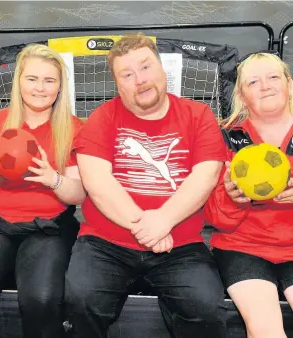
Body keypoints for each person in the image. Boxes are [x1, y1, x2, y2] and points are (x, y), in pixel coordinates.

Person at [64, 33, 228, 338]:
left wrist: (164, 220)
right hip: (106, 243)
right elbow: (98, 183)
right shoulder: (102, 117)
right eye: (127, 74)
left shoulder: (199, 115)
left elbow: (205, 176)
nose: (139, 79)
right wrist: (149, 227)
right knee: (81, 298)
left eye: (145, 67)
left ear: (161, 69)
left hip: (180, 244)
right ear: (117, 84)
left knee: (205, 306)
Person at [0, 44, 86, 338]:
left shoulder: (72, 128)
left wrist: (53, 178)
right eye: (32, 79)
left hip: (47, 228)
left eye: (49, 81)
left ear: (60, 86)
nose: (40, 88)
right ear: (18, 81)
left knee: (41, 301)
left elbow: (78, 195)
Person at [204, 51, 293, 338]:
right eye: (253, 82)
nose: (265, 86)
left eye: (273, 77)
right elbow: (217, 218)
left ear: (289, 84)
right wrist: (232, 197)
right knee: (265, 329)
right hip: (242, 247)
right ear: (241, 95)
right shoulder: (225, 138)